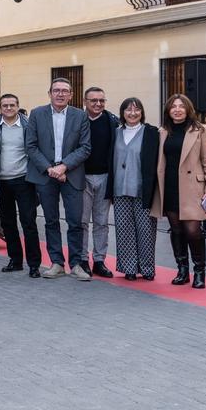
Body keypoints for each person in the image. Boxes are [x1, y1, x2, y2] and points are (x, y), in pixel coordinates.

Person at [25, 78, 92, 280]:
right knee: (51, 221)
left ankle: (76, 264)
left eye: (64, 91)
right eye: (56, 90)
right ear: (50, 93)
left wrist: (63, 166)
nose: (60, 94)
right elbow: (31, 146)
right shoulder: (37, 114)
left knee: (75, 221)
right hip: (45, 176)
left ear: (71, 95)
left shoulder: (80, 116)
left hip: (71, 175)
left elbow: (85, 147)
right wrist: (49, 168)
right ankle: (56, 263)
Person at [151, 94, 206, 289]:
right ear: (168, 110)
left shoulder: (200, 130)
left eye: (181, 106)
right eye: (173, 107)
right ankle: (182, 269)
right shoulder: (162, 132)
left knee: (193, 231)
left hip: (193, 188)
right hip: (170, 186)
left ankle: (199, 272)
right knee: (177, 230)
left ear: (188, 109)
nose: (177, 110)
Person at [108, 98, 160, 281]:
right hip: (120, 189)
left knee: (146, 230)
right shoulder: (115, 133)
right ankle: (129, 268)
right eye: (128, 110)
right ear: (122, 113)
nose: (132, 113)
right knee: (124, 230)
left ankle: (147, 268)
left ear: (142, 112)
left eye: (137, 110)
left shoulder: (152, 133)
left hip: (142, 189)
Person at [0, 94, 41, 278]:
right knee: (9, 224)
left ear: (18, 106)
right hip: (1, 182)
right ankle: (15, 260)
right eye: (5, 105)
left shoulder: (28, 125)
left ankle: (34, 264)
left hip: (24, 181)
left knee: (29, 223)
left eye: (12, 105)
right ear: (0, 107)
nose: (9, 108)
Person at [81, 87, 119, 278]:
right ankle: (82, 259)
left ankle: (99, 261)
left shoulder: (112, 121)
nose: (98, 104)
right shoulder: (77, 120)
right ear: (85, 101)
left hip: (104, 177)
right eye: (93, 100)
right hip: (81, 178)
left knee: (101, 222)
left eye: (101, 101)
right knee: (82, 222)